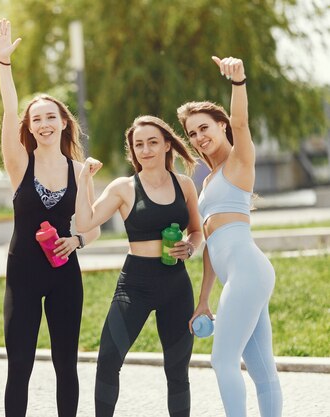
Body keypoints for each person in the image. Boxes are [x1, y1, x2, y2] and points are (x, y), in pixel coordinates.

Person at [0, 19, 100, 417]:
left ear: (64, 122)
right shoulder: (20, 163)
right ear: (29, 127)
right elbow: (8, 109)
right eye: (36, 118)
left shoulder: (78, 170)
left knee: (65, 366)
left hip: (64, 277)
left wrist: (79, 241)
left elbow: (91, 226)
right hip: (22, 275)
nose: (43, 123)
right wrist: (4, 64)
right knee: (19, 366)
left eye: (50, 117)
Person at [75, 116, 202, 416]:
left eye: (153, 142)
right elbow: (84, 222)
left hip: (176, 284)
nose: (145, 150)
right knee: (108, 359)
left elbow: (196, 231)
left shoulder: (184, 185)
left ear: (167, 144)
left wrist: (191, 247)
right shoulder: (124, 188)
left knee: (177, 369)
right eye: (139, 144)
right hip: (135, 284)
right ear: (132, 149)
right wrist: (84, 180)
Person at [177, 56, 282, 416]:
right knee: (262, 369)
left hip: (248, 272)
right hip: (237, 276)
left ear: (222, 126)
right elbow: (210, 246)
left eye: (204, 127)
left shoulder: (240, 161)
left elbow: (241, 120)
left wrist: (238, 82)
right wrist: (204, 299)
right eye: (192, 133)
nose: (199, 137)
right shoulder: (206, 182)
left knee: (222, 361)